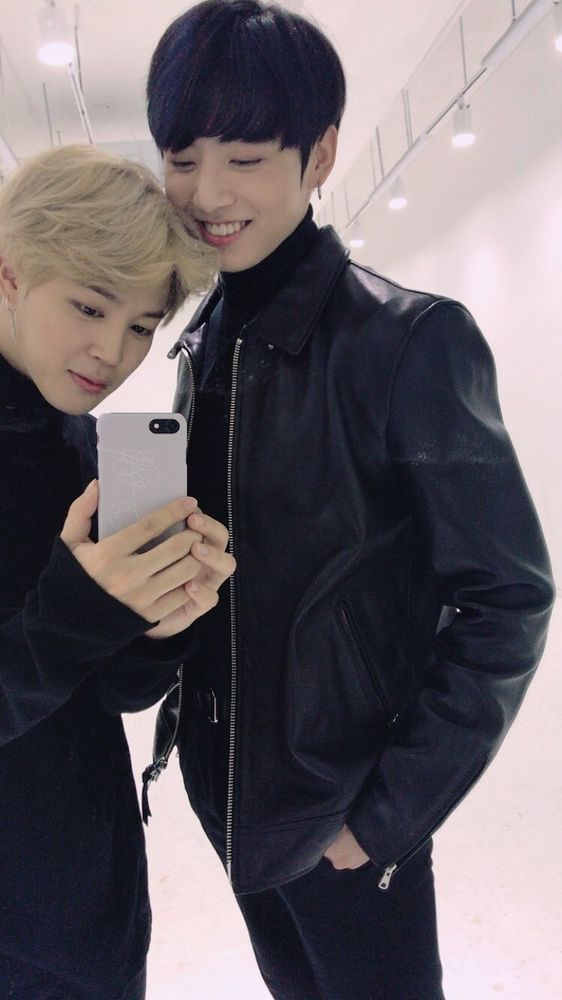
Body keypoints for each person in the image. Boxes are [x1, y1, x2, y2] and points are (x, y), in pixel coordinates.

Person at [145, 3, 555, 997]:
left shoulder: (407, 342)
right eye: (183, 158)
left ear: (319, 154)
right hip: (232, 805)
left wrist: (380, 819)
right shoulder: (204, 340)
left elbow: (506, 599)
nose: (207, 193)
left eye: (246, 158)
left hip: (343, 819)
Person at [0, 144, 235, 1000]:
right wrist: (76, 612)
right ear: (10, 275)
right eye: (90, 306)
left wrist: (160, 628)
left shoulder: (86, 445)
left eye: (142, 326)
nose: (112, 352)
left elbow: (107, 696)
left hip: (91, 914)